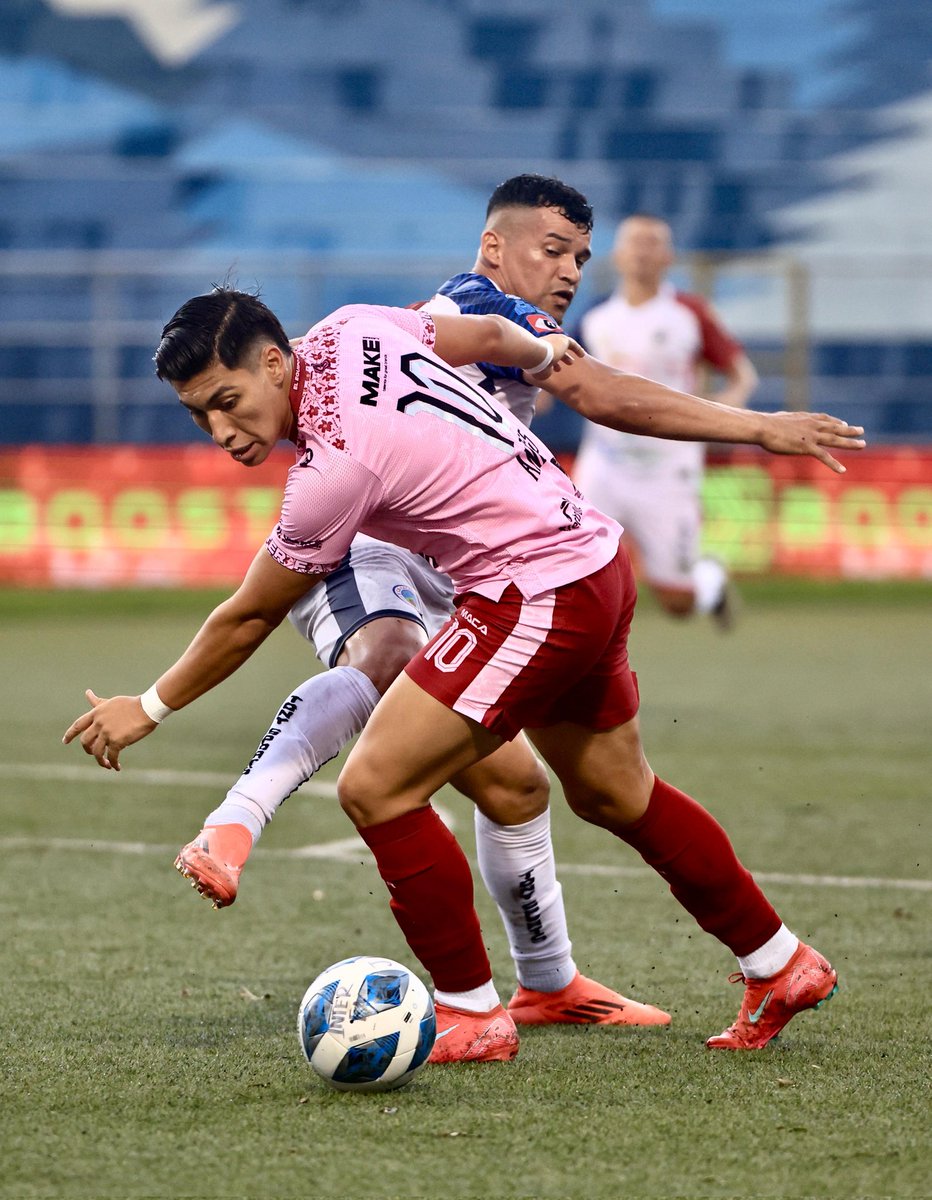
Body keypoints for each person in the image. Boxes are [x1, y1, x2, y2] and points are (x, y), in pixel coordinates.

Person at [64, 289, 862, 1064]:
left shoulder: (331, 471)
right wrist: (540, 351)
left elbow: (248, 616)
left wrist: (152, 705)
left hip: (533, 595)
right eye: (198, 414)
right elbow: (485, 336)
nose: (219, 430)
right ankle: (779, 961)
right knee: (614, 791)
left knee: (376, 786)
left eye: (227, 402)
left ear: (274, 363)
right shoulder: (352, 325)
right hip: (593, 557)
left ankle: (472, 1012)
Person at [173, 175, 671, 1032]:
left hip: (468, 573)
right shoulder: (481, 306)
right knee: (389, 656)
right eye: (554, 250)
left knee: (517, 788)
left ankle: (548, 984)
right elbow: (601, 394)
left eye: (580, 258)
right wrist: (759, 426)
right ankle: (235, 821)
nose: (569, 271)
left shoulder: (456, 326)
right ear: (495, 246)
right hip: (369, 549)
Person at [573, 213, 759, 628]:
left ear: (669, 257)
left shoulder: (688, 313)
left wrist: (727, 406)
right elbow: (558, 375)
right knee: (573, 572)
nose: (642, 251)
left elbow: (742, 374)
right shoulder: (595, 316)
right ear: (617, 255)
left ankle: (708, 578)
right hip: (604, 464)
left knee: (677, 603)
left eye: (652, 242)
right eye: (634, 242)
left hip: (669, 469)